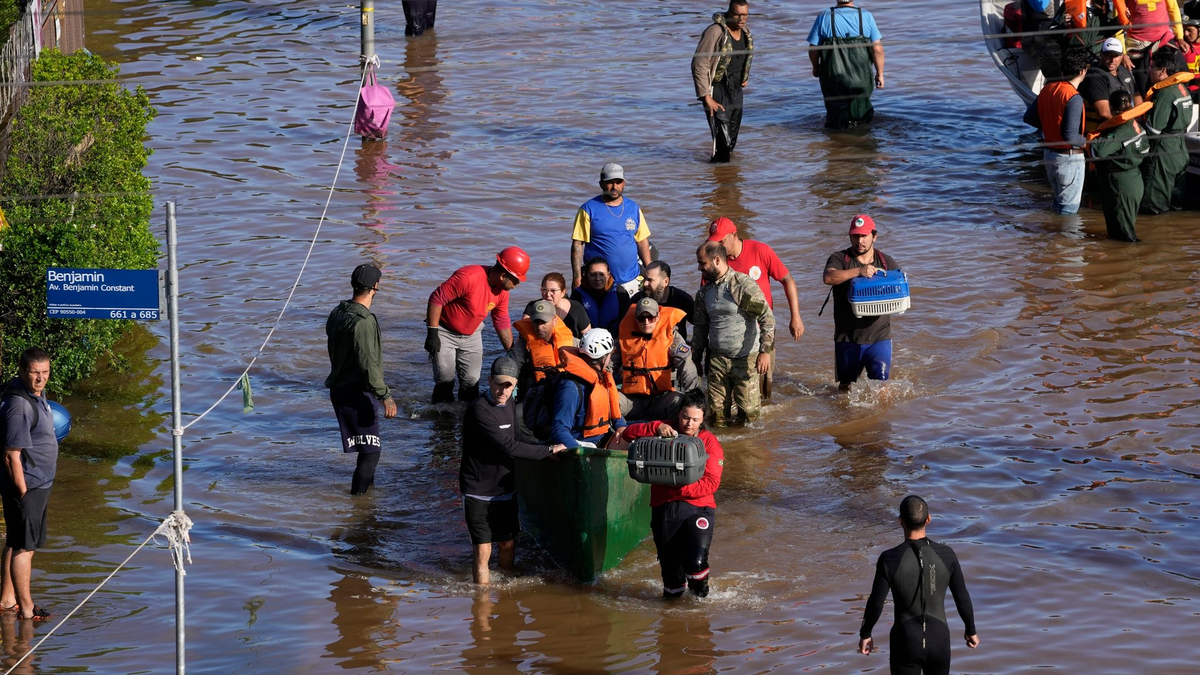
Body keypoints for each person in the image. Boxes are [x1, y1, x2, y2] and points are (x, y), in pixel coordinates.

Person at [460, 357, 566, 584]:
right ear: (489, 380)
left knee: (507, 544)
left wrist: (544, 446)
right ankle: (481, 599)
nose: (503, 390)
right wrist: (547, 450)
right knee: (484, 549)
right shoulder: (479, 409)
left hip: (505, 489)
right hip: (478, 490)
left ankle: (506, 590)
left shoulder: (509, 403)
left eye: (508, 385)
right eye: (499, 384)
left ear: (516, 384)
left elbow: (517, 436)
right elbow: (509, 446)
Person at [618, 389, 723, 599]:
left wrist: (678, 487)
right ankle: (672, 617)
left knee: (696, 563)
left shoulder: (710, 442)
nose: (689, 424)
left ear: (703, 419)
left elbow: (712, 483)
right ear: (678, 414)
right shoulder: (663, 429)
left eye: (695, 420)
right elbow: (627, 435)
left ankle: (701, 607)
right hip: (664, 508)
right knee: (672, 581)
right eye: (685, 417)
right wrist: (656, 427)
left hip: (699, 508)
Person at [858, 495, 980, 675]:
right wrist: (971, 630)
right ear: (928, 519)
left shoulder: (889, 559)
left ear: (900, 521)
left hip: (905, 640)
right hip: (939, 640)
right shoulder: (947, 555)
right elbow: (961, 597)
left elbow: (876, 602)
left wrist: (866, 634)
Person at [705, 217, 803, 399]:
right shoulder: (713, 262)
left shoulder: (760, 251)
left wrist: (795, 317)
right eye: (714, 242)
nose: (717, 247)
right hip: (729, 337)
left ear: (734, 235)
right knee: (730, 393)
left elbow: (787, 279)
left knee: (763, 389)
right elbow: (707, 301)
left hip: (761, 332)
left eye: (721, 241)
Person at [325, 264, 398, 495]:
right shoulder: (363, 322)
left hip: (340, 390)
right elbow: (369, 366)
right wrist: (386, 396)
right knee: (372, 453)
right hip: (356, 393)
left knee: (367, 447)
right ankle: (358, 504)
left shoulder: (338, 311)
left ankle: (368, 499)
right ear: (375, 286)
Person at [425, 247, 529, 403]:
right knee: (445, 380)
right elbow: (436, 299)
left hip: (472, 335)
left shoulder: (502, 293)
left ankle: (468, 413)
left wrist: (511, 352)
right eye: (516, 280)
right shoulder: (468, 277)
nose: (517, 284)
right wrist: (432, 333)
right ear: (503, 276)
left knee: (471, 382)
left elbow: (501, 320)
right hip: (445, 331)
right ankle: (440, 416)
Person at [0, 348, 58, 621]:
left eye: (45, 372)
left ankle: (7, 600)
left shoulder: (33, 393)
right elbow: (11, 455)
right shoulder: (20, 407)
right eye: (35, 372)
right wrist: (24, 494)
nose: (40, 378)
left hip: (36, 484)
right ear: (22, 371)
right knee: (25, 548)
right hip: (29, 485)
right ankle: (26, 609)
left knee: (15, 541)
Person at [692, 241, 774, 425]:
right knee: (716, 417)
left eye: (702, 263)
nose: (699, 268)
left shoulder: (740, 286)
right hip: (717, 360)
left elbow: (766, 318)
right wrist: (696, 359)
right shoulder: (704, 293)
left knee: (749, 417)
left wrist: (764, 352)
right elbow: (700, 328)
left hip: (745, 358)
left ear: (716, 260)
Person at [822, 215, 901, 390]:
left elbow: (900, 287)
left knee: (882, 387)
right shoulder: (840, 258)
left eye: (864, 236)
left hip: (879, 336)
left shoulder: (886, 262)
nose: (860, 241)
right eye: (855, 236)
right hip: (847, 337)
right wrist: (858, 271)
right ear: (850, 237)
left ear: (874, 236)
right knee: (845, 389)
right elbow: (828, 277)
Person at [1024, 47, 1090, 215]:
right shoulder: (1073, 97)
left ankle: (1053, 232)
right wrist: (1090, 143)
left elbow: (1029, 118)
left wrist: (1050, 125)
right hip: (1069, 158)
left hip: (1049, 156)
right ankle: (1063, 233)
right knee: (1068, 211)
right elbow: (1070, 136)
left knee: (1058, 207)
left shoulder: (1048, 89)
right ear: (1083, 70)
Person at [571, 163, 652, 295]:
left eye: (618, 182)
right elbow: (577, 246)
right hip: (599, 283)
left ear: (624, 183)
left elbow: (642, 242)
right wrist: (577, 277)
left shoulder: (634, 208)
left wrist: (650, 271)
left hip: (631, 280)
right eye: (610, 182)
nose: (615, 187)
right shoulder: (588, 209)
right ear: (601, 184)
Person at [618, 298, 701, 421]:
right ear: (636, 319)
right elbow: (608, 365)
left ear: (657, 317)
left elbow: (685, 365)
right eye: (642, 318)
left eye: (650, 317)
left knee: (680, 401)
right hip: (633, 400)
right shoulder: (623, 337)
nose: (646, 322)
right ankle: (617, 429)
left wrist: (694, 393)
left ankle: (672, 429)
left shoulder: (672, 337)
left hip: (661, 398)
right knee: (609, 400)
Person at [807, 0, 885, 129]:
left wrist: (816, 67)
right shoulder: (865, 15)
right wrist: (880, 74)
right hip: (861, 77)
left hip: (833, 77)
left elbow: (813, 49)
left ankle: (837, 140)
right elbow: (877, 49)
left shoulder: (824, 16)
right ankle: (861, 139)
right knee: (861, 117)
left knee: (835, 119)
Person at [692, 0, 754, 163]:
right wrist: (706, 96)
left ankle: (725, 176)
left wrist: (744, 77)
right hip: (717, 88)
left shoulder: (745, 31)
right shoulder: (715, 31)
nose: (741, 19)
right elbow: (699, 63)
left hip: (736, 89)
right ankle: (716, 170)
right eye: (737, 14)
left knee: (731, 140)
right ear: (729, 13)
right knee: (722, 142)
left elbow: (743, 57)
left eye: (745, 15)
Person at [548, 329, 627, 449]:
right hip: (578, 444)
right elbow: (559, 430)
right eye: (611, 353)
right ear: (603, 359)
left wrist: (620, 426)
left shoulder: (602, 377)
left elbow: (613, 410)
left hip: (600, 438)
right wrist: (579, 452)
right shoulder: (570, 388)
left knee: (634, 445)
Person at [1140, 50, 1195, 214]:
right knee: (1175, 204)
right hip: (1181, 149)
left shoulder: (1165, 93)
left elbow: (1153, 129)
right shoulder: (1181, 88)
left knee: (1154, 206)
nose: (1149, 71)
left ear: (1162, 70)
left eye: (1152, 67)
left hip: (1164, 152)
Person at [1090, 91, 1149, 241]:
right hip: (1134, 178)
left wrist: (1092, 141)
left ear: (1111, 107)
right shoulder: (1135, 125)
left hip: (1120, 183)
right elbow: (1146, 149)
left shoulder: (1119, 130)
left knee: (1123, 234)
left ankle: (1130, 254)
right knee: (1125, 225)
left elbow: (1097, 152)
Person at [510, 299, 575, 419]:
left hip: (562, 392)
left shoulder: (571, 342)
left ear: (554, 321)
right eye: (536, 322)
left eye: (544, 322)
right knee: (517, 415)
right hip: (534, 394)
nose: (539, 327)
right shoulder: (523, 344)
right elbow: (511, 367)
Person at [1079, 38, 1142, 134]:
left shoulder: (1124, 71)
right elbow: (1104, 112)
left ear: (1121, 56)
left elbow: (1136, 95)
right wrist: (1127, 126)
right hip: (1108, 131)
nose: (1112, 60)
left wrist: (1138, 119)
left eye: (1116, 56)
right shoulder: (1094, 77)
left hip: (1129, 124)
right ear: (1101, 55)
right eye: (1108, 55)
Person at [631, 261, 695, 341]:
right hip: (645, 346)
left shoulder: (682, 299)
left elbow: (700, 324)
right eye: (644, 279)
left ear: (665, 282)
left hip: (674, 346)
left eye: (650, 280)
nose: (645, 283)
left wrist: (695, 344)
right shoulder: (636, 300)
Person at [571, 257, 632, 338]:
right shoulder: (577, 295)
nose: (597, 279)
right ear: (586, 275)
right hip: (587, 340)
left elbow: (628, 322)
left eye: (601, 274)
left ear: (608, 274)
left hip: (615, 339)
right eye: (593, 275)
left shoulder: (620, 293)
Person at [527, 272, 590, 339]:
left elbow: (588, 336)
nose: (548, 294)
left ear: (563, 292)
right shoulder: (533, 307)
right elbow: (524, 331)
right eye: (544, 290)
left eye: (553, 290)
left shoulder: (577, 308)